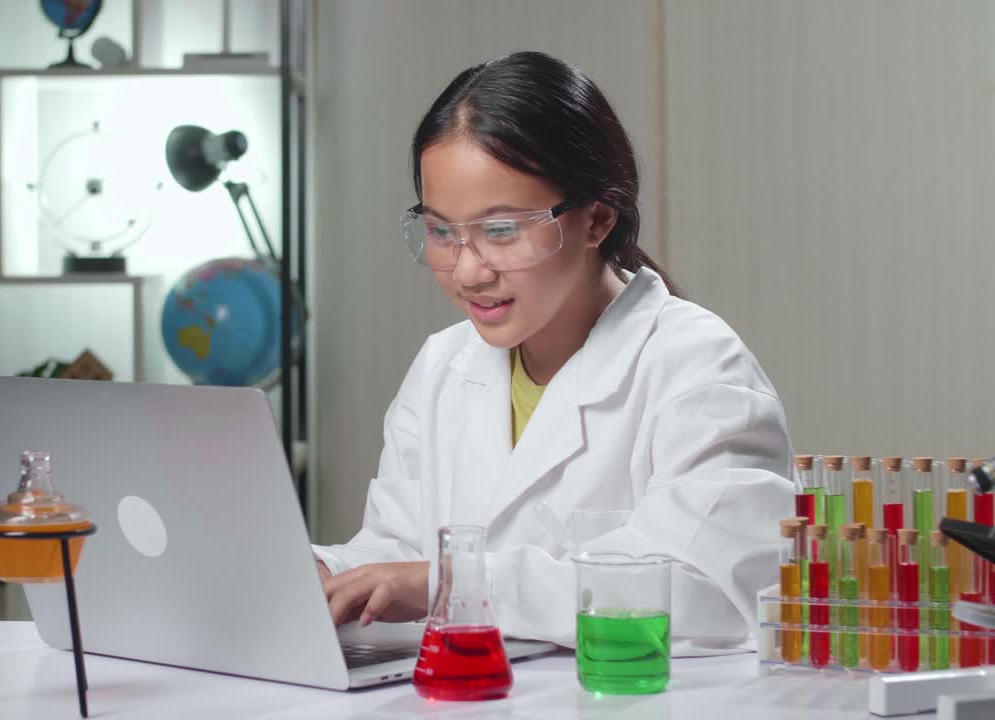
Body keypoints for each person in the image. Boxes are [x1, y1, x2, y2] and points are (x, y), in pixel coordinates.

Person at [311, 51, 792, 654]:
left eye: (501, 230)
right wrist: (325, 572)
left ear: (597, 220)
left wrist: (456, 585)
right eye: (441, 232)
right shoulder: (442, 366)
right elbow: (399, 553)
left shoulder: (697, 366)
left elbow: (717, 592)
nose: (468, 271)